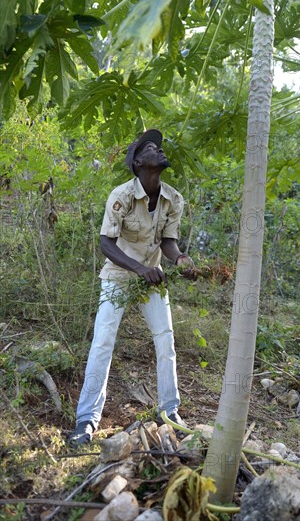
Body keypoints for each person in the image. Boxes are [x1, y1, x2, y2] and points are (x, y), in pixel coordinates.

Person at [68, 129, 195, 446]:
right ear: (139, 161)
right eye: (152, 148)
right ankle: (86, 420)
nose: (160, 151)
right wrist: (139, 268)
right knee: (102, 343)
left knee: (166, 342)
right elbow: (105, 243)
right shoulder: (121, 195)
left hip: (152, 277)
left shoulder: (173, 199)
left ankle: (170, 411)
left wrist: (179, 259)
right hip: (118, 276)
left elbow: (168, 241)